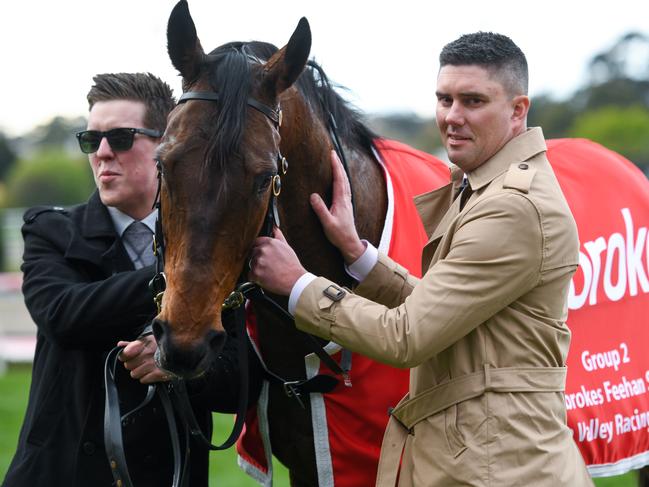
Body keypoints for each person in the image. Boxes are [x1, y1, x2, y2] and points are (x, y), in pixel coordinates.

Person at [249, 33, 594, 485]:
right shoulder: (490, 186)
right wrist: (358, 254)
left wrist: (297, 284)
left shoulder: (511, 206)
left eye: (473, 101)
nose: (452, 117)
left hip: (499, 469)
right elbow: (443, 311)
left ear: (517, 110)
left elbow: (407, 336)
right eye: (444, 98)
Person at [2, 72, 261, 487]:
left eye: (120, 138)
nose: (102, 153)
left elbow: (240, 384)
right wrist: (178, 274)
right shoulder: (50, 231)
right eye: (91, 140)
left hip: (168, 474)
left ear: (166, 144)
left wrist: (180, 362)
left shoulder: (215, 251)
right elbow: (63, 316)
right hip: (61, 473)